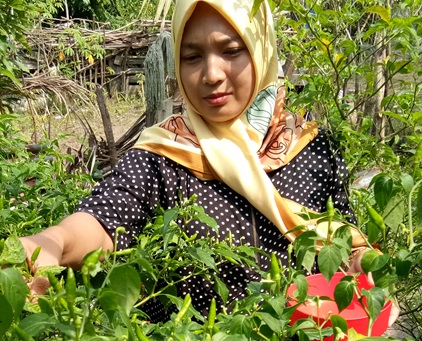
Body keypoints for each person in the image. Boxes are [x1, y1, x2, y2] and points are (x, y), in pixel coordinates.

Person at [20, 0, 373, 319]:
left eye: (232, 50)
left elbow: (340, 233)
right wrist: (51, 243)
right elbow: (107, 216)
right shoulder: (163, 154)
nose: (212, 75)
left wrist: (362, 262)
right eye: (192, 57)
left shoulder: (310, 146)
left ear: (261, 49)